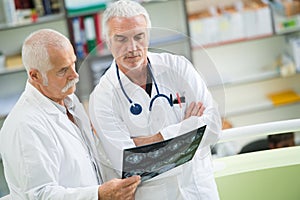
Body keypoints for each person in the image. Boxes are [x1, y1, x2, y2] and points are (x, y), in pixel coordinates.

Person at [89, 0, 222, 199]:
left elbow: (212, 128)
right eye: (121, 39)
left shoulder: (178, 67)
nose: (132, 47)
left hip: (199, 189)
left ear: (148, 36)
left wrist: (152, 140)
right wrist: (188, 127)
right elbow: (131, 165)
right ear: (108, 42)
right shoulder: (102, 97)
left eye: (138, 36)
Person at [0, 29, 140, 200]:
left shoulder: (68, 100)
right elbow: (40, 195)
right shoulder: (24, 126)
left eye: (73, 63)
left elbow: (88, 161)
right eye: (62, 70)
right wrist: (99, 195)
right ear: (35, 76)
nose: (75, 75)